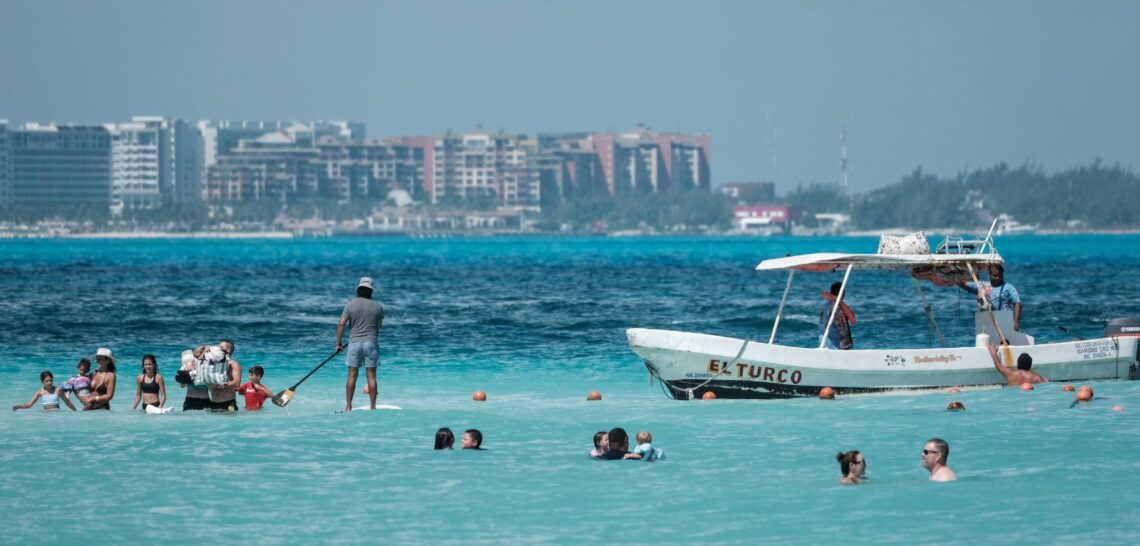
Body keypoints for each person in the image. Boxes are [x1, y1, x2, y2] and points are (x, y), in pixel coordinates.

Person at [335, 276, 384, 412]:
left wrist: (338, 344)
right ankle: (373, 407)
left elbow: (341, 324)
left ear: (358, 289)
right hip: (371, 343)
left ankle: (348, 406)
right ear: (371, 291)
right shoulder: (378, 306)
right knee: (372, 377)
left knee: (352, 375)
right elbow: (378, 326)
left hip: (354, 343)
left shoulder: (350, 305)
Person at [960, 263, 1021, 331]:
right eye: (994, 276)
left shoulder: (1009, 288)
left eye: (1000, 276)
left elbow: (1017, 303)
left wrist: (1016, 322)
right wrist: (957, 271)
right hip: (986, 323)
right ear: (989, 274)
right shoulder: (982, 286)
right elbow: (964, 284)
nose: (997, 278)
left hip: (1005, 321)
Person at [12, 371, 77, 411]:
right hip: (45, 415)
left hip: (57, 414)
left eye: (51, 380)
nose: (49, 382)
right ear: (42, 382)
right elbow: (30, 404)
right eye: (47, 381)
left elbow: (67, 402)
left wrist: (75, 411)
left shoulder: (58, 390)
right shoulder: (40, 392)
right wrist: (18, 407)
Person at [818, 282, 856, 350]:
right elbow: (852, 321)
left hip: (825, 341)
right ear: (842, 292)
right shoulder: (835, 307)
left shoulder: (827, 303)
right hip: (833, 345)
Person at [207, 339, 242, 412]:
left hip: (229, 404)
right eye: (218, 346)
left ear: (229, 350)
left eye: (221, 347)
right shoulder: (213, 364)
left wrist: (220, 385)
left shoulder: (234, 365)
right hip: (213, 403)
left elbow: (236, 383)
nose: (218, 348)